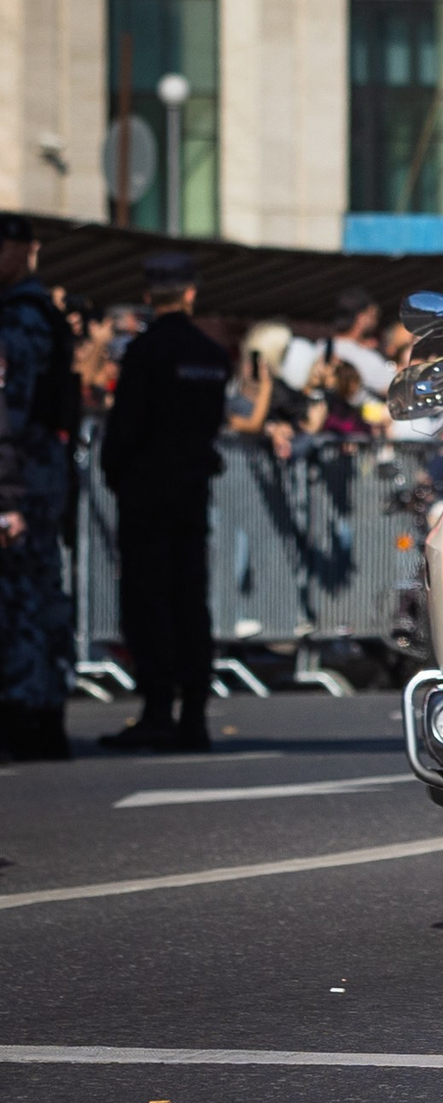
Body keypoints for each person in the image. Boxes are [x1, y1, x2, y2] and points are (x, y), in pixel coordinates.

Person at [98, 253, 230, 752]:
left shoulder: (146, 351)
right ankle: (193, 714)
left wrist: (119, 474)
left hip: (147, 493)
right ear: (191, 293)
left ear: (151, 296)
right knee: (190, 603)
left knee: (148, 601)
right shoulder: (211, 355)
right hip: (191, 490)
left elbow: (126, 427)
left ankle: (158, 710)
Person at [0, 215, 76, 760]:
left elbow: (13, 410)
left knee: (24, 595)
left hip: (22, 475)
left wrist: (8, 492)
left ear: (26, 251)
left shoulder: (21, 317)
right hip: (38, 472)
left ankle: (29, 714)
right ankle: (45, 711)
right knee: (43, 590)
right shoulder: (42, 312)